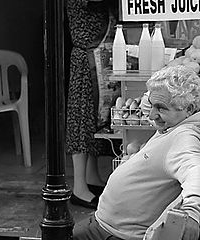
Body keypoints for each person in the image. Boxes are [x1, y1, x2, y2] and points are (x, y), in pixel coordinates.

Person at [73, 65, 200, 240]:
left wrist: (192, 213)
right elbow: (152, 102)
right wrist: (158, 96)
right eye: (153, 105)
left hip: (114, 234)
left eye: (161, 108)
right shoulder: (177, 120)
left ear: (190, 108)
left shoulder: (185, 137)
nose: (152, 114)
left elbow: (198, 172)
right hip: (103, 224)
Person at [66, 0, 118, 209]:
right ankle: (79, 188)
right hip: (85, 58)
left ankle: (91, 177)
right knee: (81, 120)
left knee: (96, 119)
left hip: (100, 55)